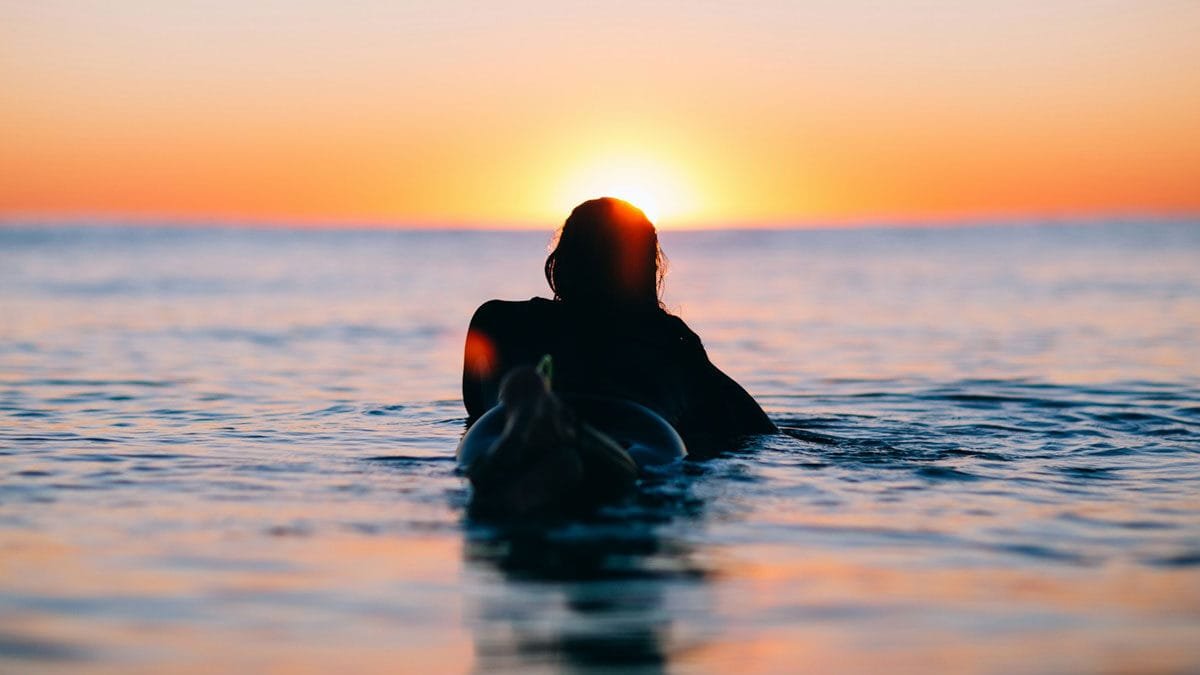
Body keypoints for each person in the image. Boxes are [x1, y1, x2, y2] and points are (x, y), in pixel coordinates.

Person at [462, 197, 776, 461]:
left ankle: (537, 414)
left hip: (499, 430)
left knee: (523, 453)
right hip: (647, 437)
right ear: (647, 268)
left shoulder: (497, 321)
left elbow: (475, 407)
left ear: (561, 261)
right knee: (631, 469)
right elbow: (760, 433)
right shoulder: (675, 345)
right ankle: (581, 442)